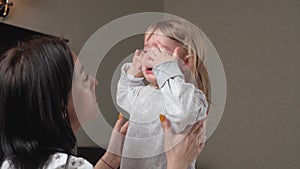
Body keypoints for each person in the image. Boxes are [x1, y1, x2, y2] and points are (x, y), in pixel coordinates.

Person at [0, 36, 206, 169]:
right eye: (83, 76)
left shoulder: (12, 163)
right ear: (60, 106)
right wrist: (178, 164)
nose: (94, 81)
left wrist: (111, 158)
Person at [116, 20, 210, 169]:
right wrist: (133, 72)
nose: (150, 57)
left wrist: (167, 71)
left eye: (159, 51)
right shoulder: (145, 93)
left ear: (185, 63)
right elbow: (123, 97)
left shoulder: (191, 98)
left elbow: (182, 113)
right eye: (146, 50)